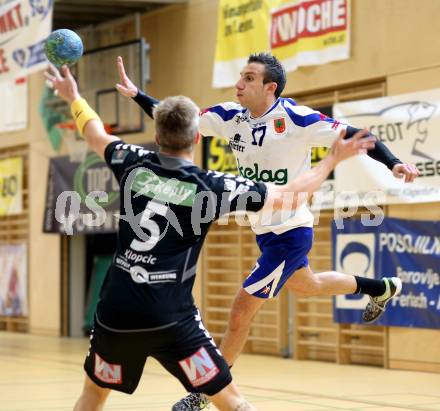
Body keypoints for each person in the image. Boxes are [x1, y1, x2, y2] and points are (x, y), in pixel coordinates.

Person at [45, 63, 373, 411]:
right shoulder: (212, 187)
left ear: (156, 138)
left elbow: (94, 132)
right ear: (198, 137)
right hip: (171, 317)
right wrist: (330, 162)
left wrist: (75, 97)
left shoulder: (131, 160)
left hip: (116, 312)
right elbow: (290, 195)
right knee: (231, 401)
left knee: (92, 396)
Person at [116, 53, 420, 411]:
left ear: (269, 87)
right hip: (265, 229)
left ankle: (207, 391)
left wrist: (395, 163)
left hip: (291, 231)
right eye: (240, 77)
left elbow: (356, 135)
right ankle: (381, 288)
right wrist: (137, 94)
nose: (239, 84)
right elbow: (179, 123)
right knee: (310, 286)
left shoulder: (296, 118)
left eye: (248, 78)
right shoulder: (230, 116)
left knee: (240, 312)